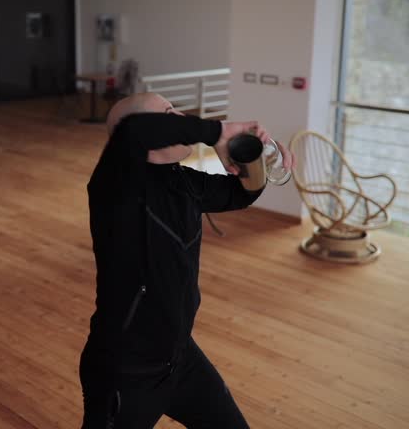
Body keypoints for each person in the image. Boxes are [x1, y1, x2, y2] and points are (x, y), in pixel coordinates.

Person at [79, 92, 295, 428]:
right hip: (125, 373)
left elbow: (241, 194)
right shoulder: (115, 187)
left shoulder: (183, 181)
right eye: (169, 113)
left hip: (180, 359)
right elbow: (136, 132)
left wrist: (260, 160)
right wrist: (217, 130)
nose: (181, 117)